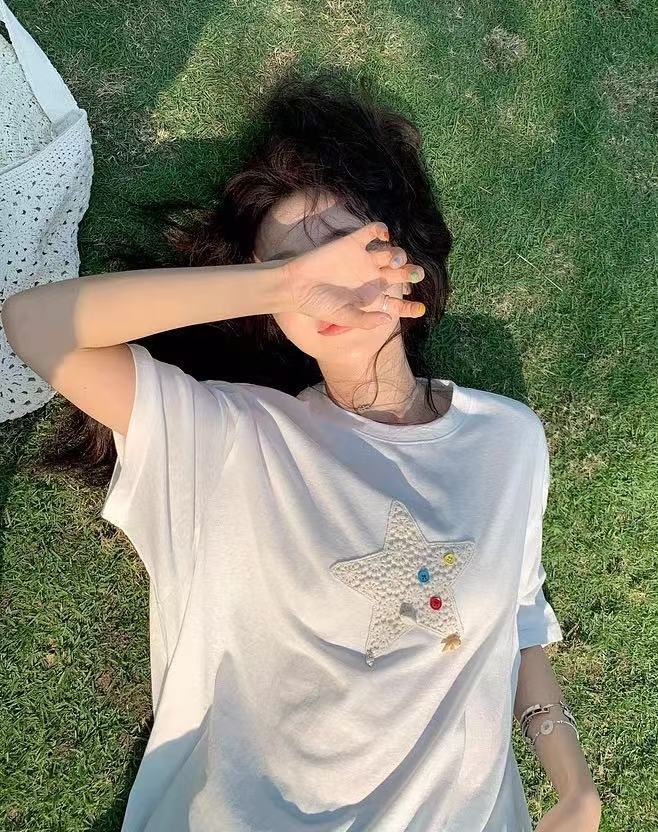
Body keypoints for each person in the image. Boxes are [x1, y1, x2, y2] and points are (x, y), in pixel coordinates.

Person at [0, 74, 602, 832]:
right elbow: (36, 325)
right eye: (286, 263)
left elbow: (517, 618)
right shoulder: (228, 436)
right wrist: (281, 283)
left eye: (341, 244)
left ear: (403, 256)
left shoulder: (508, 439)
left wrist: (573, 787)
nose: (322, 279)